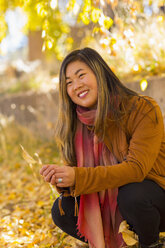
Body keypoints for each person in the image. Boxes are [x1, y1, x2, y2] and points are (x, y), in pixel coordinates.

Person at [40, 47, 165, 248]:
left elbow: (136, 169)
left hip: (155, 198)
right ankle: (116, 240)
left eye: (81, 75)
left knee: (133, 194)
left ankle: (150, 243)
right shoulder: (76, 125)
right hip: (123, 206)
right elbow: (82, 178)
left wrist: (78, 177)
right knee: (62, 209)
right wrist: (64, 180)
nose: (76, 85)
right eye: (68, 83)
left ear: (100, 74)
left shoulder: (142, 109)